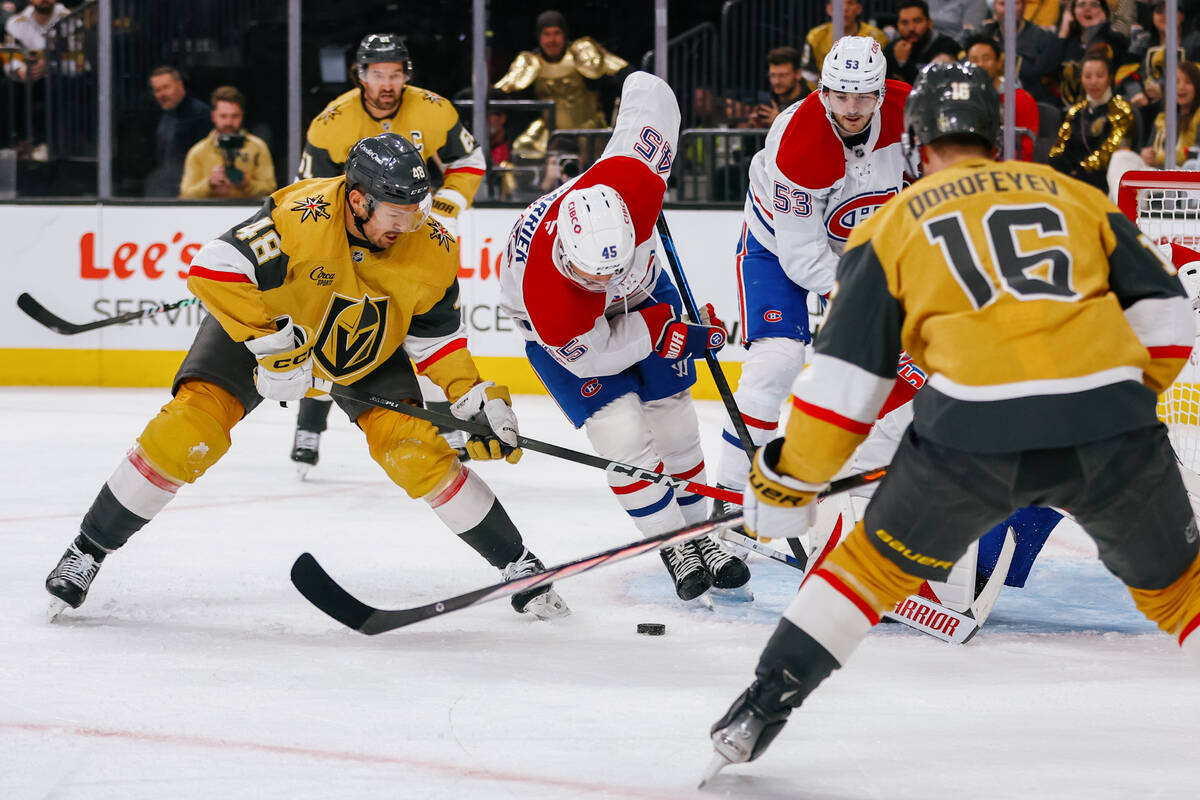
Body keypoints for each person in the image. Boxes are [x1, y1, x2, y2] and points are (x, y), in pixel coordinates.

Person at [705, 61, 1199, 782]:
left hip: (972, 438)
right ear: (995, 137)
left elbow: (843, 390)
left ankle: (763, 704)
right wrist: (1113, 400)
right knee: (1183, 591)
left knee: (866, 570)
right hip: (1112, 428)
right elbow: (1167, 320)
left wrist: (787, 483)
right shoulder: (1076, 197)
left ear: (917, 145)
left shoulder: (895, 226)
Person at [43, 132, 569, 623]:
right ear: (358, 200)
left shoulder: (431, 243)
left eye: (415, 212)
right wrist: (272, 346)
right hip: (265, 326)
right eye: (396, 213)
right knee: (188, 431)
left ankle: (520, 564)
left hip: (365, 346)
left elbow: (436, 340)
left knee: (415, 451)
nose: (407, 226)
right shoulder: (301, 212)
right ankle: (86, 551)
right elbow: (212, 267)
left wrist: (471, 395)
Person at [497, 71, 748, 602]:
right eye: (593, 276)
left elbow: (651, 96)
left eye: (612, 270)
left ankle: (701, 532)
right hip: (582, 345)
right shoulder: (551, 301)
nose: (604, 285)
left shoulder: (633, 181)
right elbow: (599, 358)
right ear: (567, 253)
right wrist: (661, 329)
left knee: (676, 414)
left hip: (647, 295)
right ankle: (671, 542)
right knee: (623, 433)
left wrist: (635, 84)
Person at [712, 37, 912, 516]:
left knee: (907, 365)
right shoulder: (799, 142)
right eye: (840, 95)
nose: (851, 108)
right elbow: (802, 257)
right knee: (775, 364)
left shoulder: (912, 114)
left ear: (882, 93)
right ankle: (729, 498)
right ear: (822, 91)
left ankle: (861, 488)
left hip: (867, 249)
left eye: (864, 95)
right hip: (777, 246)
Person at [291, 33, 486, 476]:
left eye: (395, 74)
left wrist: (447, 205)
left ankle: (445, 421)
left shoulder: (435, 109)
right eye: (378, 74)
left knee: (425, 326)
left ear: (406, 75)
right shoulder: (331, 123)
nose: (387, 83)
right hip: (347, 244)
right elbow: (310, 193)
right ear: (360, 76)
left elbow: (469, 160)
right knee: (330, 329)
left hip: (413, 235)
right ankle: (309, 425)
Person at [494, 10, 630, 161]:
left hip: (589, 130)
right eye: (546, 34)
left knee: (598, 160)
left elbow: (622, 70)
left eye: (556, 33)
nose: (552, 40)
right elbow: (501, 89)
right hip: (550, 132)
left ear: (565, 35)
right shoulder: (532, 62)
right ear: (539, 37)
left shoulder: (581, 54)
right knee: (523, 149)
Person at [1106, 61, 1200, 198]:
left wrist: (1159, 158)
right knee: (1121, 157)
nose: (1181, 88)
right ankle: (1123, 204)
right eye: (1176, 82)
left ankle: (1122, 208)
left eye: (1188, 82)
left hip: (1183, 177)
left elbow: (1194, 156)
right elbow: (1148, 148)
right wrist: (1145, 153)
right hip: (1157, 174)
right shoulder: (1162, 117)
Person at [1048, 52, 1137, 192]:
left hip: (1104, 181)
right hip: (1072, 179)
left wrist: (1079, 171)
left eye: (1100, 76)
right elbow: (1059, 148)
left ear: (1110, 78)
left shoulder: (1121, 111)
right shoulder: (1075, 112)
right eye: (1088, 76)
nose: (1093, 82)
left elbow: (1109, 154)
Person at [178, 85, 277, 200]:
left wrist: (246, 184)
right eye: (223, 116)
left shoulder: (258, 148)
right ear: (214, 116)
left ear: (242, 115)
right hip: (208, 215)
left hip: (249, 214)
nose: (229, 122)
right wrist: (209, 184)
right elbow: (185, 195)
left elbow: (271, 190)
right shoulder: (198, 152)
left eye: (235, 116)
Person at [3, 0, 69, 160]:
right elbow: (9, 59)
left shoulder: (69, 19)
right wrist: (20, 70)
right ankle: (17, 144)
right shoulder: (15, 23)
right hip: (29, 79)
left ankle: (51, 146)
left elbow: (78, 61)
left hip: (62, 78)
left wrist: (49, 65)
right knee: (7, 87)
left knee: (57, 85)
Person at [964, 34, 1041, 160]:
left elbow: (1025, 151)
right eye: (974, 60)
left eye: (986, 58)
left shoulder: (1019, 99)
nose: (981, 65)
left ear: (999, 63)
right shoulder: (964, 99)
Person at [144, 66, 212, 197]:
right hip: (166, 190)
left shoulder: (201, 114)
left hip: (191, 194)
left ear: (180, 85)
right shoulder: (164, 114)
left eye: (166, 87)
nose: (161, 94)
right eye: (157, 90)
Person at [981, 0, 1065, 106]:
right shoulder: (985, 36)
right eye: (1002, 4)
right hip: (991, 104)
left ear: (1024, 6)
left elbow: (1050, 83)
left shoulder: (1044, 39)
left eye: (1015, 4)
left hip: (1033, 104)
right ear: (994, 7)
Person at [1056, 0, 1134, 108]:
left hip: (1106, 106)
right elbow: (1050, 68)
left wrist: (1096, 29)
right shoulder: (1070, 41)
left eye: (1094, 4)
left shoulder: (1114, 40)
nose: (1087, 9)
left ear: (1104, 12)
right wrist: (1064, 30)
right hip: (1068, 107)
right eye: (1081, 4)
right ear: (1073, 12)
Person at [800, 1, 889, 92]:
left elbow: (884, 74)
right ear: (829, 8)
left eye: (850, 3)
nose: (844, 9)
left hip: (867, 94)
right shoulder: (815, 36)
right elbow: (808, 73)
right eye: (838, 4)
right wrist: (822, 95)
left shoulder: (877, 37)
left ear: (859, 8)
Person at [883, 1, 964, 85]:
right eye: (904, 23)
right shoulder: (892, 49)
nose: (911, 28)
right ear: (897, 26)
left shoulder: (947, 47)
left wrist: (904, 63)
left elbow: (932, 87)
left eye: (917, 21)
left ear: (929, 23)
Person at [744, 46, 808, 129]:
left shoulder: (810, 103)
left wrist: (780, 123)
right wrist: (754, 128)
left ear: (798, 74)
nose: (776, 81)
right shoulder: (766, 102)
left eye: (783, 75)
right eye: (772, 75)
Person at [926, 0, 991, 45]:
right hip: (923, 45)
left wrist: (946, 47)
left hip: (956, 48)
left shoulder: (975, 1)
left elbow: (970, 33)